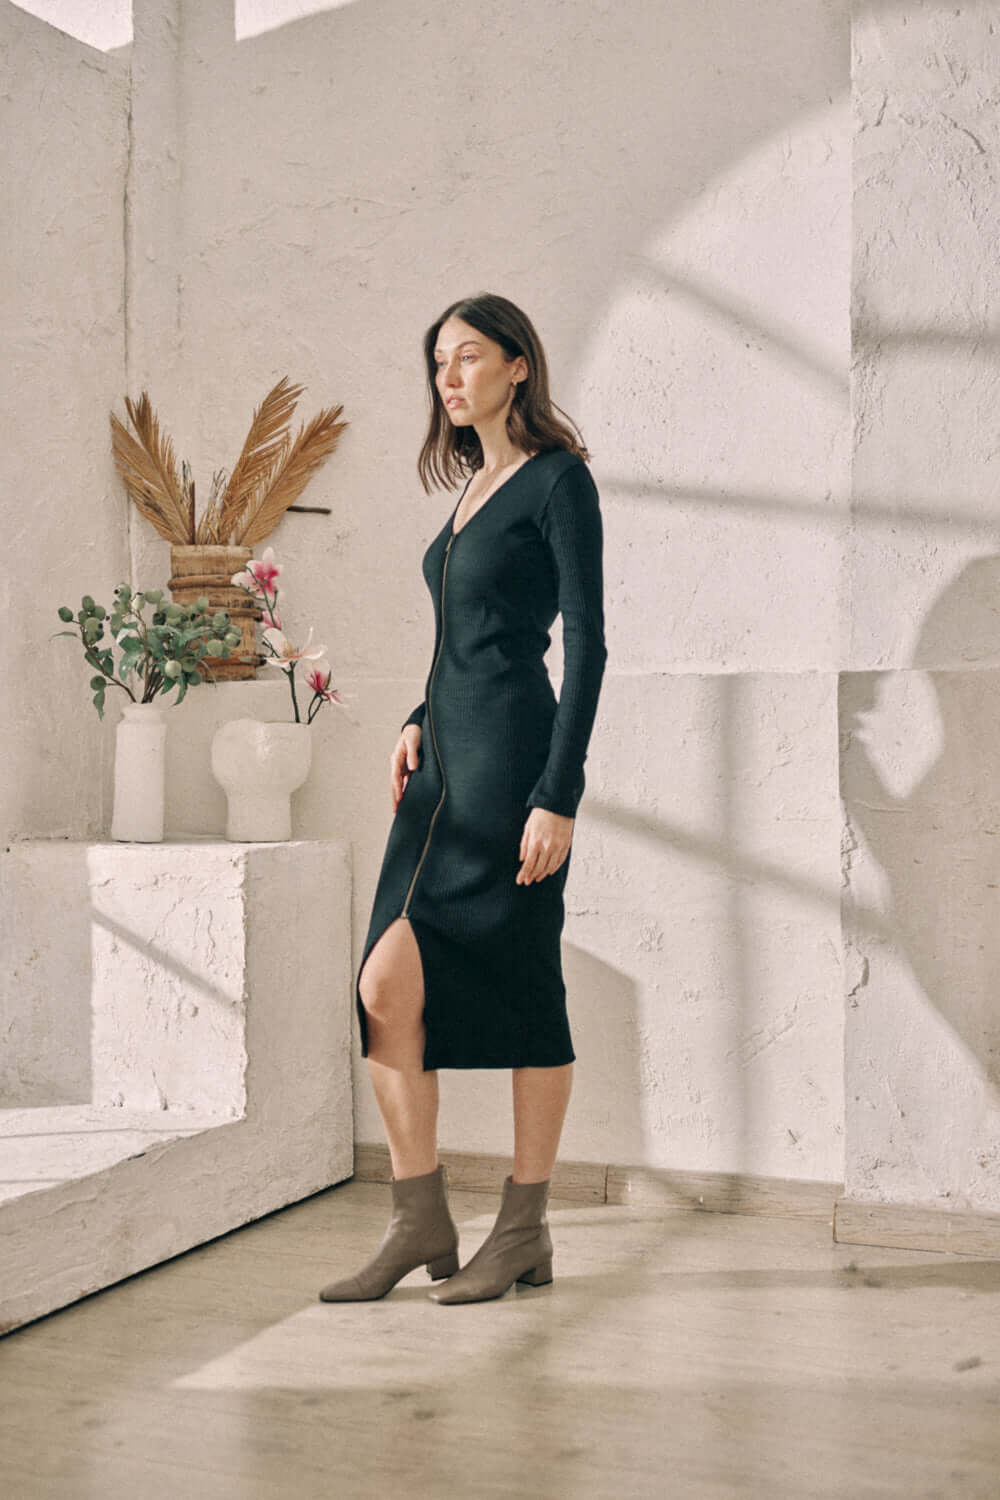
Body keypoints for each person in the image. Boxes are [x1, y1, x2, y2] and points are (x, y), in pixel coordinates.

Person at [319, 291, 608, 1305]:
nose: (449, 376)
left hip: (513, 769)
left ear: (519, 365)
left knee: (527, 985)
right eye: (439, 361)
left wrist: (557, 794)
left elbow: (586, 643)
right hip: (441, 768)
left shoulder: (555, 482)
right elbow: (467, 638)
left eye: (470, 356)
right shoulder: (476, 486)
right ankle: (420, 1215)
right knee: (384, 986)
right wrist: (412, 713)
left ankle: (523, 1227)